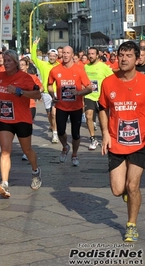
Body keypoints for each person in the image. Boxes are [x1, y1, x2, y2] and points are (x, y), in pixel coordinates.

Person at [99, 41, 145, 242]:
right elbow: (102, 107)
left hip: (140, 142)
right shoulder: (108, 82)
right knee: (118, 189)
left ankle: (131, 225)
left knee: (133, 185)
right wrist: (105, 134)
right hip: (116, 141)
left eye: (128, 55)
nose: (124, 59)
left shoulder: (144, 81)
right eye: (121, 55)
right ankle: (126, 192)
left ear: (137, 59)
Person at [0, 50, 42, 198]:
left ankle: (35, 172)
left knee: (27, 150)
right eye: (4, 60)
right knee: (5, 150)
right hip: (6, 119)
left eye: (9, 61)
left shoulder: (25, 78)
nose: (6, 63)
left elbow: (37, 94)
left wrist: (20, 92)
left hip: (22, 119)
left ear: (15, 63)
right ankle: (4, 183)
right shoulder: (0, 76)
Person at [48, 46, 93, 167]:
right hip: (61, 106)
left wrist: (78, 93)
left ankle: (74, 154)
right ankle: (65, 146)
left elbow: (90, 88)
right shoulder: (55, 70)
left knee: (75, 133)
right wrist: (53, 95)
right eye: (64, 53)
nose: (66, 55)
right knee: (61, 131)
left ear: (73, 55)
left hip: (76, 107)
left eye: (68, 53)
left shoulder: (79, 70)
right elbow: (49, 85)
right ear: (61, 54)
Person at [83, 47, 113, 150]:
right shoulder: (85, 67)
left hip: (101, 97)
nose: (90, 55)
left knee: (103, 120)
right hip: (89, 96)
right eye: (89, 53)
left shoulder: (103, 66)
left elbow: (112, 79)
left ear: (97, 55)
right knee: (88, 116)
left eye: (92, 54)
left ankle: (105, 136)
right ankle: (93, 138)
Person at [30, 37, 59, 143]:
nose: (52, 57)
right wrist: (34, 46)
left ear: (56, 57)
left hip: (56, 92)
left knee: (54, 114)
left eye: (54, 56)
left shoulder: (60, 65)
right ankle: (53, 126)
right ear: (48, 56)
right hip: (46, 92)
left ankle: (55, 134)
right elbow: (33, 57)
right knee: (49, 114)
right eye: (50, 56)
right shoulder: (43, 64)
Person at [19, 57, 44, 161]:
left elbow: (41, 88)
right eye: (19, 65)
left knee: (27, 128)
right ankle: (25, 149)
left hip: (30, 105)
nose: (21, 67)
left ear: (27, 66)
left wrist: (35, 92)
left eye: (23, 65)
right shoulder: (15, 77)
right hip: (19, 106)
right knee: (20, 129)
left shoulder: (32, 77)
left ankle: (27, 150)